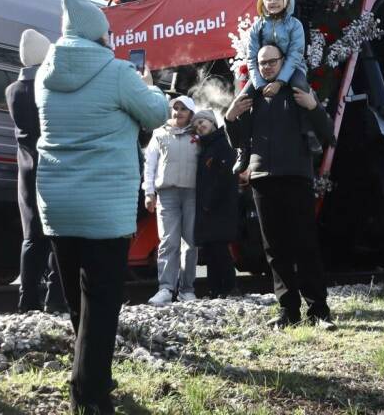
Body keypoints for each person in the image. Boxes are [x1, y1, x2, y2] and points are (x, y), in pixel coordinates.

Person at [35, 0, 171, 414]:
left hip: (56, 202)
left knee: (77, 297)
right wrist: (148, 87)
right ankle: (89, 394)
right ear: (99, 34)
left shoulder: (45, 73)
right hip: (103, 203)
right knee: (102, 297)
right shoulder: (117, 73)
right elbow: (157, 115)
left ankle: (92, 371)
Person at [226, 44, 335, 328]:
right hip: (262, 178)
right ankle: (288, 312)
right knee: (274, 248)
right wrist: (230, 118)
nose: (266, 67)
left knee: (305, 244)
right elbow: (238, 141)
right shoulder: (253, 95)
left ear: (283, 61)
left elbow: (327, 135)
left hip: (297, 175)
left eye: (272, 61)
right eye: (262, 63)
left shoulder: (298, 91)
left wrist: (313, 107)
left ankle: (319, 312)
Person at [5, 28, 64, 313]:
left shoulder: (12, 90)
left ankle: (26, 300)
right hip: (52, 168)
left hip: (26, 171)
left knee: (32, 238)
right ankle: (55, 298)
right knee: (58, 237)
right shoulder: (49, 90)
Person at [143, 95, 199, 306]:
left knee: (191, 242)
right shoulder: (159, 134)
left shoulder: (198, 134)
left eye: (183, 109)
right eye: (175, 108)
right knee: (168, 242)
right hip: (167, 194)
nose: (178, 112)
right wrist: (149, 192)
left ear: (191, 113)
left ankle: (187, 289)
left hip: (192, 193)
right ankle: (166, 288)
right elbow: (149, 165)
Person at [192, 109, 238, 298]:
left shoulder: (222, 144)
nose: (200, 126)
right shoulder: (207, 146)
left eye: (203, 122)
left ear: (212, 122)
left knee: (219, 249)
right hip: (209, 206)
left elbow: (224, 175)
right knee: (211, 249)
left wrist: (209, 200)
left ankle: (228, 287)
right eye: (196, 125)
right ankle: (216, 289)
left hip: (219, 206)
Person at [245, 0, 309, 95]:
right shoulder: (257, 26)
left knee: (300, 88)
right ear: (263, 2)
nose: (273, 2)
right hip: (266, 69)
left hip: (293, 68)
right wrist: (260, 84)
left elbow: (295, 54)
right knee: (243, 97)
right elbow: (251, 57)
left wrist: (280, 81)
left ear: (285, 1)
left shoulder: (295, 25)